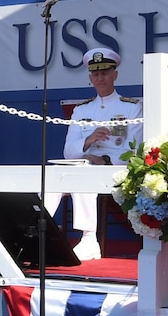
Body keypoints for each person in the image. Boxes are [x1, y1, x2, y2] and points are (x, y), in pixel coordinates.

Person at [48, 47, 142, 262]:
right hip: (85, 164)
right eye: (96, 74)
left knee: (84, 172)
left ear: (115, 75)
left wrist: (105, 160)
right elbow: (68, 150)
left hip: (116, 169)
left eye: (105, 73)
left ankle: (89, 239)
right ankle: (39, 230)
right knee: (54, 174)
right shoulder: (81, 110)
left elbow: (135, 149)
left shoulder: (133, 108)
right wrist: (88, 141)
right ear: (90, 77)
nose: (101, 78)